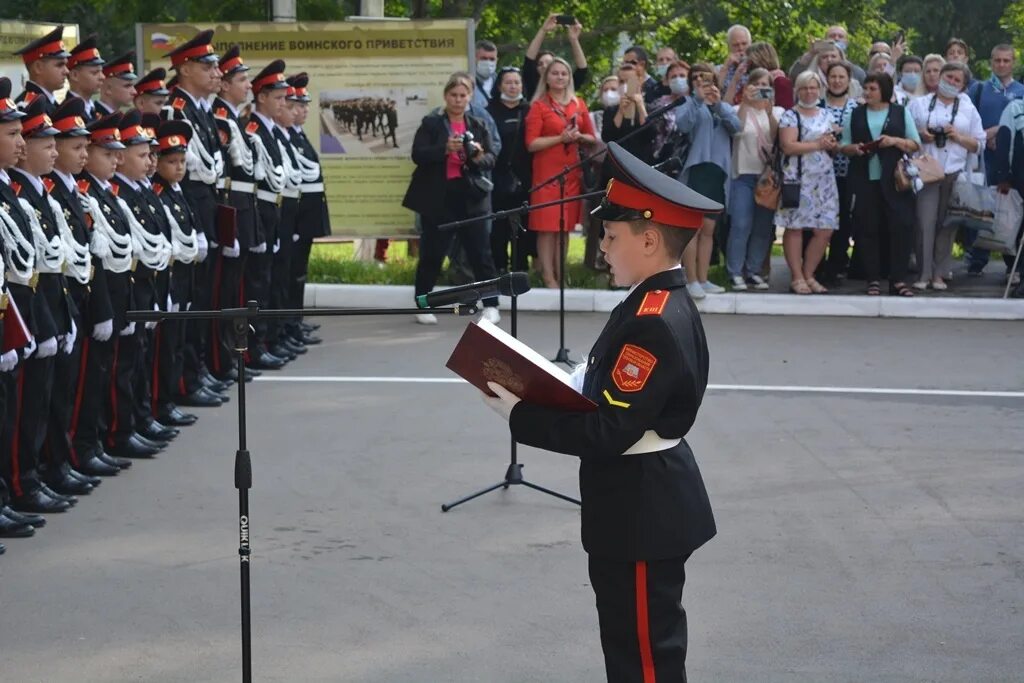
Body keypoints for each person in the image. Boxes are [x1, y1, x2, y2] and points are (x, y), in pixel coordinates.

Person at [482, 141, 718, 683]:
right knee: (629, 648)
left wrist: (519, 415)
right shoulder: (650, 300)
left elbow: (610, 430)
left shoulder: (653, 318)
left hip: (641, 508)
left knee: (645, 659)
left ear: (651, 239)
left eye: (611, 237)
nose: (603, 247)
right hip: (636, 502)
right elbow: (607, 390)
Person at [403, 72, 501, 325]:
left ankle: (491, 305)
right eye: (453, 95)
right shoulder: (432, 124)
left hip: (472, 197)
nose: (458, 100)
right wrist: (444, 149)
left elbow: (492, 158)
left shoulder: (478, 124)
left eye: (463, 95)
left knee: (481, 253)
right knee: (432, 253)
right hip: (439, 198)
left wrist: (477, 155)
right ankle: (423, 303)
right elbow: (418, 155)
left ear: (469, 97)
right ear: (446, 96)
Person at [167, 31, 231, 396]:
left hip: (206, 206)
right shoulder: (178, 110)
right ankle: (188, 378)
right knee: (194, 298)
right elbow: (184, 173)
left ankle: (199, 369)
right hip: (190, 209)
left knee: (207, 296)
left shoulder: (200, 110)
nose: (215, 72)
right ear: (186, 68)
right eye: (207, 66)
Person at [839, 73, 921, 297]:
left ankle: (898, 280)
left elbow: (915, 144)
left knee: (900, 228)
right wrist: (854, 149)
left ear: (884, 90)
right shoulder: (855, 114)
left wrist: (894, 141)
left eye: (872, 88)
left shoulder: (900, 113)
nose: (867, 93)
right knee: (868, 229)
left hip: (894, 181)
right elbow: (843, 145)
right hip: (864, 179)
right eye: (865, 88)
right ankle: (872, 278)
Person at [909, 62, 984, 290]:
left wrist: (958, 136)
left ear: (963, 86)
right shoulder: (919, 104)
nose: (951, 82)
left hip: (954, 172)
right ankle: (924, 272)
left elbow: (979, 145)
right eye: (948, 77)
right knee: (924, 223)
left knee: (946, 225)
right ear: (940, 76)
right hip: (927, 172)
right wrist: (922, 136)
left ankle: (939, 273)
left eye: (956, 80)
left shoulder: (968, 108)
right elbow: (906, 136)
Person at [525, 57, 597, 289]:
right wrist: (560, 138)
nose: (560, 77)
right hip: (546, 175)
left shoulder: (578, 103)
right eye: (555, 73)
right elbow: (531, 143)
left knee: (564, 228)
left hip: (571, 173)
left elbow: (592, 138)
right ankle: (548, 276)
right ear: (546, 78)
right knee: (547, 229)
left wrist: (579, 137)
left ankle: (561, 273)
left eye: (564, 74)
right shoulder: (539, 106)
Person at [674, 64, 740, 299]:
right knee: (693, 227)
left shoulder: (724, 107)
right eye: (700, 81)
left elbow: (736, 127)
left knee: (709, 229)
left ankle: (703, 278)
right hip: (696, 170)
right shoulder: (689, 105)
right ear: (693, 85)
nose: (706, 86)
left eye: (710, 81)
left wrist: (720, 104)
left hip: (717, 173)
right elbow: (683, 125)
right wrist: (697, 100)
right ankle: (690, 279)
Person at [775, 71, 840, 294]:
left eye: (813, 87)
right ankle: (797, 276)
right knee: (795, 228)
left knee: (825, 229)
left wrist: (831, 143)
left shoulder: (826, 114)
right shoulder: (790, 116)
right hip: (798, 179)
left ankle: (809, 273)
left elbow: (832, 143)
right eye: (804, 88)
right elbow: (788, 146)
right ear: (798, 91)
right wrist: (818, 144)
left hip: (824, 180)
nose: (809, 92)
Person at [245, 59, 291, 368]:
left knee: (268, 280)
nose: (283, 103)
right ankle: (254, 345)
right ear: (261, 97)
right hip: (259, 211)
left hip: (271, 210)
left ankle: (266, 339)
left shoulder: (270, 130)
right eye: (278, 97)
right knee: (256, 284)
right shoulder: (253, 128)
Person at [965, 44, 1024, 276]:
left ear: (1013, 63)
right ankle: (977, 258)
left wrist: (1002, 130)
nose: (1001, 64)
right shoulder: (979, 90)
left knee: (1011, 210)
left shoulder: (1021, 90)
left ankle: (1013, 263)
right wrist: (986, 134)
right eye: (997, 60)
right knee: (980, 208)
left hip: (1012, 162)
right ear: (991, 61)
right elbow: (966, 118)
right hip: (983, 159)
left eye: (1006, 61)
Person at [284, 73, 329, 346]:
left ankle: (294, 321)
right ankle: (289, 324)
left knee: (299, 272)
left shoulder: (297, 135)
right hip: (296, 217)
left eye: (304, 104)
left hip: (306, 216)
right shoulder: (287, 136)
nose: (303, 110)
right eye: (297, 104)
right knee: (290, 274)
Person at [727, 68, 780, 290]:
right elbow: (735, 131)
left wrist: (768, 111)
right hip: (742, 174)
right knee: (741, 224)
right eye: (755, 84)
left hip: (766, 177)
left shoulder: (777, 112)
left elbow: (777, 139)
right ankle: (735, 271)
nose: (760, 89)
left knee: (762, 227)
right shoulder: (739, 109)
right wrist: (747, 103)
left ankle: (754, 270)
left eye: (765, 85)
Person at [487, 66, 533, 273]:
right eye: (508, 82)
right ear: (499, 86)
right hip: (496, 177)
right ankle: (499, 269)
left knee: (522, 228)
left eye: (517, 82)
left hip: (525, 178)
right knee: (498, 228)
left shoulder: (529, 110)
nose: (513, 86)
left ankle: (520, 269)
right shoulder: (489, 110)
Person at [820, 62, 859, 283]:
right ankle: (816, 265)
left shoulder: (856, 107)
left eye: (841, 77)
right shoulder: (817, 104)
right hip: (820, 174)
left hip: (847, 173)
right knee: (820, 222)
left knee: (843, 220)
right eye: (832, 76)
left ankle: (836, 266)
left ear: (848, 80)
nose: (836, 81)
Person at [994, 97, 1024, 295]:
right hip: (1019, 179)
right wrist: (1003, 176)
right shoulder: (1015, 107)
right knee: (1020, 232)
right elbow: (1003, 141)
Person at [522, 14, 590, 101]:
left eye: (548, 63)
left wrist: (574, 40)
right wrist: (543, 30)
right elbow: (529, 59)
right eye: (540, 64)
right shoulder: (532, 85)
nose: (544, 66)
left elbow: (582, 69)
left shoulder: (566, 86)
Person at [600, 63, 654, 170]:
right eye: (621, 81)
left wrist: (640, 106)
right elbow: (607, 137)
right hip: (616, 167)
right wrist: (620, 111)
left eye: (629, 81)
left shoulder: (650, 108)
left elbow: (650, 134)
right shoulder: (611, 110)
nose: (625, 85)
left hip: (641, 167)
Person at [13, 25, 70, 114]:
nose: (66, 71)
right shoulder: (29, 107)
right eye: (60, 65)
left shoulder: (48, 103)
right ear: (38, 67)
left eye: (66, 65)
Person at [650, 61, 690, 165]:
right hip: (661, 159)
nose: (678, 79)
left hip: (687, 158)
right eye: (673, 77)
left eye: (682, 76)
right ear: (667, 81)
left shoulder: (696, 103)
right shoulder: (659, 104)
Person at [65, 35, 106, 120]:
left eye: (101, 71)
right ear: (74, 75)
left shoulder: (94, 111)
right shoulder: (67, 113)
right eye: (95, 73)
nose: (102, 77)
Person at [744, 42, 792, 109]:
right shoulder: (750, 81)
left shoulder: (780, 82)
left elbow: (785, 111)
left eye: (750, 62)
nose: (747, 66)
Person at [94, 51, 138, 117]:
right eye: (127, 86)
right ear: (109, 89)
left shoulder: (119, 117)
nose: (134, 92)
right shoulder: (95, 118)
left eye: (132, 86)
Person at [717, 24, 751, 96]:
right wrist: (726, 67)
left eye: (744, 44)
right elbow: (713, 97)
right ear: (729, 47)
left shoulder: (760, 68)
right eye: (736, 45)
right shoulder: (719, 70)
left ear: (750, 44)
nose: (741, 48)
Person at [472, 39, 499, 110]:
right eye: (483, 58)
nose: (488, 62)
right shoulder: (466, 83)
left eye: (492, 59)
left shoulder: (501, 83)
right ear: (474, 59)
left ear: (496, 60)